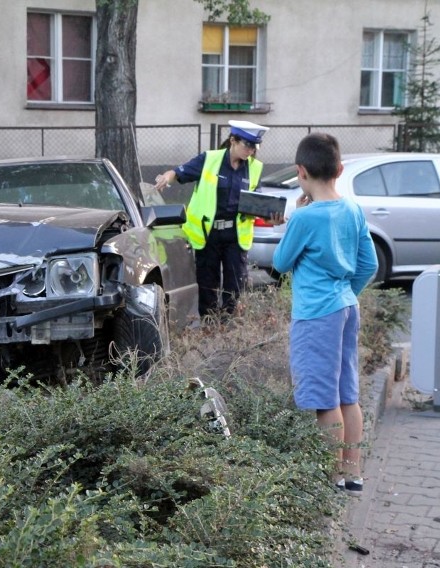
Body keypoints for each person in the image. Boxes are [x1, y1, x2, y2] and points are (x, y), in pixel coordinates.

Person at [272, 132, 378, 493]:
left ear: (300, 172)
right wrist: (347, 292)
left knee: (324, 400)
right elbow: (369, 263)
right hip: (347, 308)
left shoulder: (306, 218)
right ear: (340, 169)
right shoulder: (352, 209)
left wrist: (295, 218)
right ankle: (353, 473)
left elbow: (281, 261)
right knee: (348, 393)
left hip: (317, 314)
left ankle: (330, 478)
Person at [154, 120, 280, 318]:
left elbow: (256, 202)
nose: (251, 151)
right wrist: (166, 178)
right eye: (247, 145)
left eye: (254, 147)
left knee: (235, 286)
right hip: (208, 234)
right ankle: (209, 325)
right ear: (233, 140)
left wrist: (270, 217)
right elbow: (179, 173)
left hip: (235, 236)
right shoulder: (210, 159)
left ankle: (229, 328)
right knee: (207, 285)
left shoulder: (254, 168)